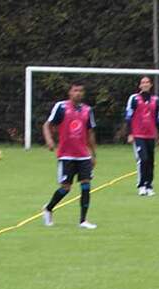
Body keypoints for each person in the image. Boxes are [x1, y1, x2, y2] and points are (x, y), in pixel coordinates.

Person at [41, 81, 98, 229]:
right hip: (66, 155)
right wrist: (49, 140)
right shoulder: (61, 107)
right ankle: (48, 208)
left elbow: (90, 133)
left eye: (80, 91)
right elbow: (47, 125)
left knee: (86, 186)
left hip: (83, 155)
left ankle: (83, 220)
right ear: (70, 93)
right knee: (65, 188)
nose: (77, 93)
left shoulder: (87, 110)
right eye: (75, 90)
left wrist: (93, 154)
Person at [125, 76, 159, 196]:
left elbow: (158, 118)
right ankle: (141, 185)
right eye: (143, 82)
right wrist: (130, 133)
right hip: (138, 135)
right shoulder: (134, 98)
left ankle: (149, 186)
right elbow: (128, 117)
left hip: (151, 135)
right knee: (143, 159)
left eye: (147, 82)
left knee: (151, 160)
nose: (145, 84)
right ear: (140, 85)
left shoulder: (155, 100)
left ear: (151, 85)